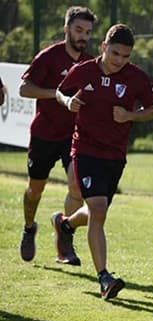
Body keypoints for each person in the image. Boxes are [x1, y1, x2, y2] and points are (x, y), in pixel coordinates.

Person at [54, 24, 153, 300]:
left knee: (96, 211)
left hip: (115, 154)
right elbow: (60, 91)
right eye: (115, 54)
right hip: (86, 150)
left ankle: (65, 225)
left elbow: (151, 110)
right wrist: (68, 103)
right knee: (98, 209)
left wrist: (129, 116)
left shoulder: (136, 77)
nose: (119, 61)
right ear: (103, 47)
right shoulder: (84, 70)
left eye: (125, 56)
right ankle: (104, 278)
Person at [18, 6, 96, 265]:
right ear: (66, 29)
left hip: (74, 136)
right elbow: (24, 89)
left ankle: (65, 243)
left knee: (76, 187)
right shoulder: (48, 57)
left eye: (87, 32)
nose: (83, 36)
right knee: (34, 191)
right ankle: (29, 228)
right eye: (78, 30)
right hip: (44, 133)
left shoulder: (90, 62)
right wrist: (58, 95)